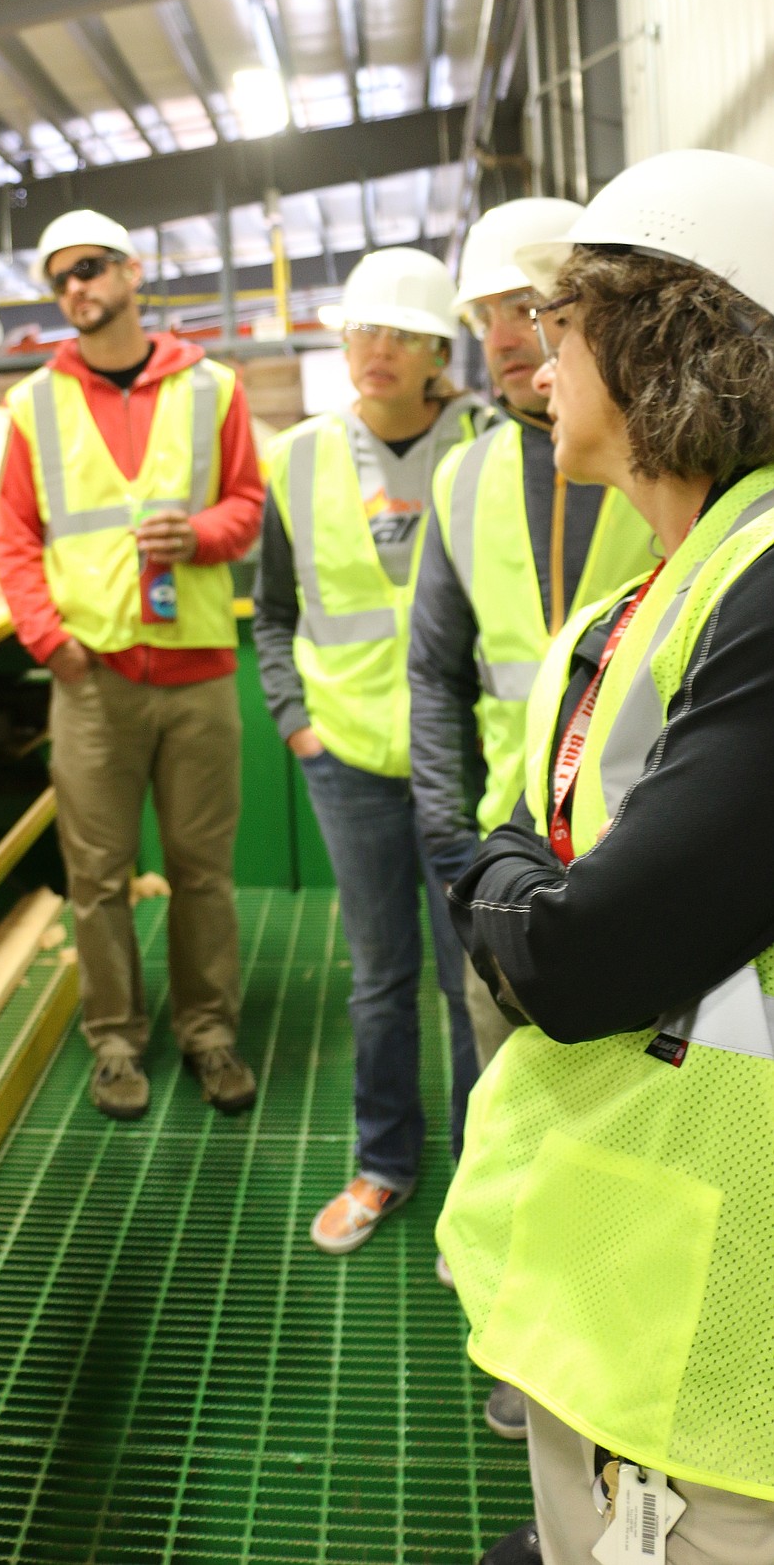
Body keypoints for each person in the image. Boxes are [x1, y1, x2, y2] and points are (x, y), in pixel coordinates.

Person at [437, 149, 774, 1565]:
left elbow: (582, 949)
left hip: (721, 1326)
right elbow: (531, 857)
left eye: (559, 323)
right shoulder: (652, 593)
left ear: (656, 343)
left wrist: (490, 894)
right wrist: (509, 888)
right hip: (624, 1267)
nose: (532, 354)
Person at [408, 199, 656, 1442]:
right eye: (489, 315)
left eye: (532, 311)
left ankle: (596, 1359)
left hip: (648, 859)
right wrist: (457, 840)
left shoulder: (663, 464)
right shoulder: (461, 479)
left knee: (622, 1124)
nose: (509, 338)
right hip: (513, 853)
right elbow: (437, 672)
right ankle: (522, 1346)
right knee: (506, 1099)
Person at [0, 209, 264, 1121]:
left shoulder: (213, 389)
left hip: (196, 676)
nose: (77, 286)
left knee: (202, 871)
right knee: (96, 881)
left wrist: (199, 534)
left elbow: (247, 508)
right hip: (91, 681)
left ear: (133, 270)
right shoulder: (32, 404)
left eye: (93, 266)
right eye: (61, 276)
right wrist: (49, 643)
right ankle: (114, 1042)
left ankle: (209, 1031)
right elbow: (15, 541)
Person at [254, 247, 491, 1254]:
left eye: (398, 332)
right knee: (381, 976)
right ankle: (387, 1162)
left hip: (470, 765)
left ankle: (478, 1195)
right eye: (359, 329)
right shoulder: (300, 456)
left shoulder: (490, 444)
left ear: (440, 348)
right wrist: (295, 724)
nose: (374, 348)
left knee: (472, 984)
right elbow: (272, 613)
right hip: (345, 759)